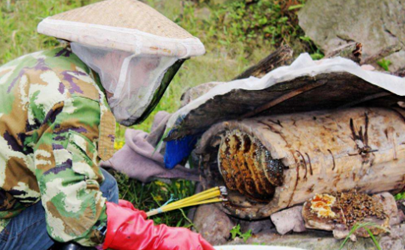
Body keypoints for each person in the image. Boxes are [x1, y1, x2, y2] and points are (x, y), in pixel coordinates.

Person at [0, 0, 212, 249]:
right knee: (92, 212)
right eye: (148, 67)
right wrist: (154, 238)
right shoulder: (76, 98)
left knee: (106, 186)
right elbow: (76, 217)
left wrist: (116, 214)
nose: (146, 80)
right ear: (120, 57)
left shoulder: (46, 63)